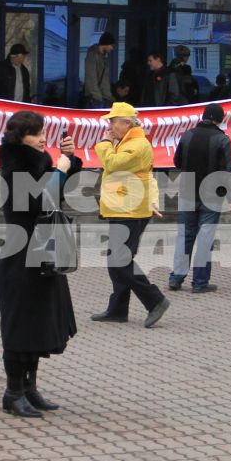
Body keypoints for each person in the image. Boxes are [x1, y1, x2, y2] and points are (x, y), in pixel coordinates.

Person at [0, 111, 81, 418]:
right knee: (21, 326)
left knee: (39, 324)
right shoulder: (14, 168)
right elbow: (39, 201)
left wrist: (69, 160)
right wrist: (59, 170)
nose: (43, 136)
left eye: (43, 131)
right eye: (36, 133)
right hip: (20, 259)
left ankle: (30, 389)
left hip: (44, 254)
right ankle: (13, 392)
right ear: (20, 137)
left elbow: (61, 186)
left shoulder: (38, 160)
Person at [90, 102, 170, 328]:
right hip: (124, 209)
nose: (109, 126)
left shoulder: (136, 145)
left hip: (131, 211)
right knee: (117, 260)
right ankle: (117, 309)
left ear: (126, 123)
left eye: (112, 122)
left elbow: (112, 164)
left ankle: (155, 301)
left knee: (120, 260)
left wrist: (105, 144)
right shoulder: (128, 142)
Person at [170, 103, 231, 293]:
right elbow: (227, 171)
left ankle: (176, 278)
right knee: (205, 237)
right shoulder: (222, 140)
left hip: (187, 191)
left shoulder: (187, 135)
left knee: (185, 235)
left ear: (203, 116)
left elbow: (176, 162)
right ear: (220, 119)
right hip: (212, 196)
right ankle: (199, 283)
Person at [82, 31, 116, 106]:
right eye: (112, 45)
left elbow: (105, 81)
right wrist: (98, 97)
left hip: (102, 98)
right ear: (106, 43)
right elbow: (91, 78)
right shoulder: (92, 55)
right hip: (95, 98)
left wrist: (109, 98)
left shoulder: (105, 58)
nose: (112, 48)